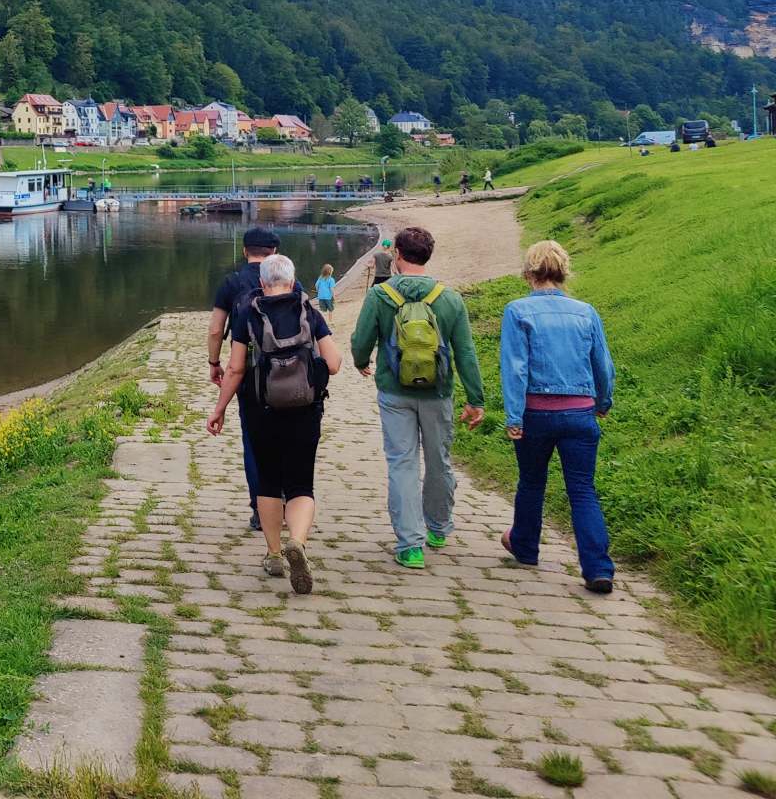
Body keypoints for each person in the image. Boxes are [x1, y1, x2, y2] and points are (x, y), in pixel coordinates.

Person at [351, 225, 487, 569]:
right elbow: (466, 353)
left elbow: (361, 340)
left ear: (397, 254)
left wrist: (361, 361)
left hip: (394, 391)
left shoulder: (380, 295)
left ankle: (410, 545)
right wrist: (476, 399)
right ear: (428, 255)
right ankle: (438, 528)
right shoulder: (449, 298)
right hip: (438, 392)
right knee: (439, 460)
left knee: (402, 462)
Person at [207, 253, 343, 593]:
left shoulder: (248, 314)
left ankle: (273, 554)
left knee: (269, 481)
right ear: (294, 280)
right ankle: (297, 541)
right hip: (305, 408)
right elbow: (335, 362)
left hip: (260, 409)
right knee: (301, 483)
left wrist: (220, 408)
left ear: (262, 282)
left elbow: (236, 369)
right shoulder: (308, 311)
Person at [499, 241, 616, 593]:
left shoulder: (517, 310)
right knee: (582, 490)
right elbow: (602, 364)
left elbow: (515, 369)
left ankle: (525, 546)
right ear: (564, 271)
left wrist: (514, 417)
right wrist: (603, 402)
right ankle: (598, 568)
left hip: (535, 413)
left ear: (529, 272)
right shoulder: (585, 312)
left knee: (532, 482)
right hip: (580, 414)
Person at [209, 227, 279, 531]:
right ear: (274, 253)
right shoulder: (289, 280)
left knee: (253, 439)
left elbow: (215, 330)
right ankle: (286, 499)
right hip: (288, 373)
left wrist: (214, 362)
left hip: (248, 372)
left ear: (244, 251)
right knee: (286, 437)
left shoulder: (232, 282)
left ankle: (259, 508)